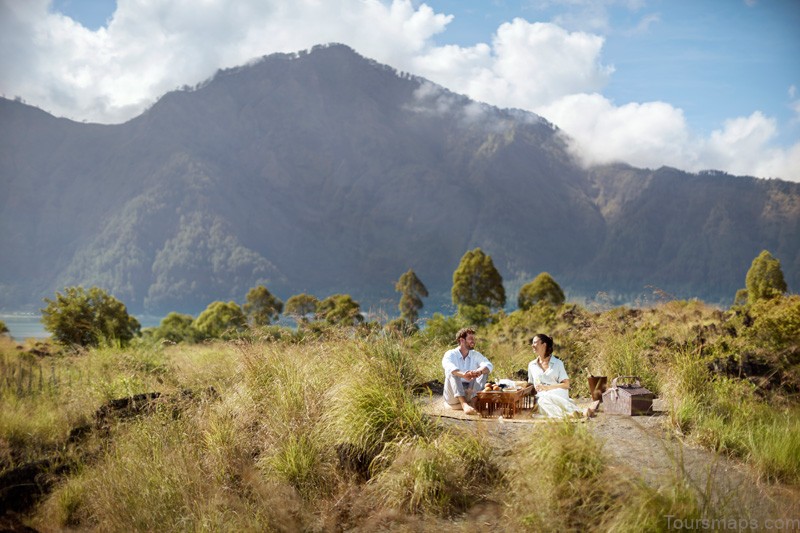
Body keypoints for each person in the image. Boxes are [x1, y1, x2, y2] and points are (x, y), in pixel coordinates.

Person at [527, 333, 597, 418]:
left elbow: (566, 385)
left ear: (544, 345)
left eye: (535, 343)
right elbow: (530, 385)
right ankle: (574, 414)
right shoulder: (531, 365)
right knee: (542, 401)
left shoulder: (557, 363)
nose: (532, 345)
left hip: (558, 392)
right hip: (541, 396)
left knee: (544, 399)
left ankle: (572, 414)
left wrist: (547, 388)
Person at [442, 327, 493, 415]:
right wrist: (463, 374)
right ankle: (464, 404)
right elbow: (448, 366)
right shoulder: (450, 354)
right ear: (462, 340)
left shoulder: (475, 354)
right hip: (453, 396)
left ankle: (473, 402)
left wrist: (478, 372)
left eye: (474, 339)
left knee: (484, 371)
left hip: (470, 392)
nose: (473, 341)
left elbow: (488, 364)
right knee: (452, 372)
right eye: (470, 339)